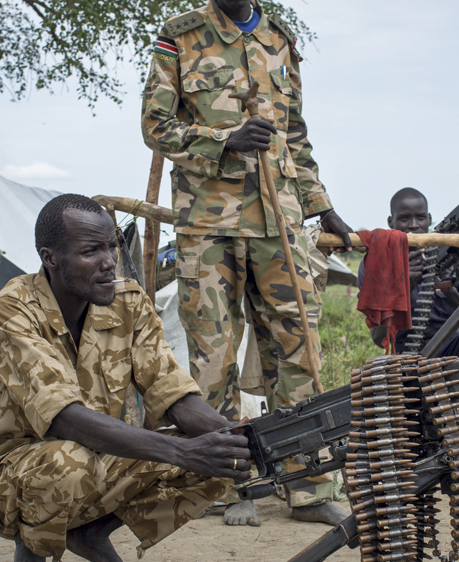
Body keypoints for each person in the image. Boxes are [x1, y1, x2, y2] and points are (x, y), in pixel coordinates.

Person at [141, 0, 353, 527]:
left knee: (298, 349)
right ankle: (228, 485)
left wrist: (321, 205)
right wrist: (224, 140)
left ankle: (307, 485)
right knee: (213, 358)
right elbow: (155, 126)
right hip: (207, 224)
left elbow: (295, 135)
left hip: (279, 223)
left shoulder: (279, 38)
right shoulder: (179, 36)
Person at [0, 194, 251, 562]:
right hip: (8, 476)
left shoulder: (128, 302)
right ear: (50, 258)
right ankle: (31, 550)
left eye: (112, 246)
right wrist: (183, 452)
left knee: (217, 455)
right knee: (67, 462)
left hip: (101, 456)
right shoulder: (14, 308)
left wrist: (234, 438)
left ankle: (90, 534)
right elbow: (64, 417)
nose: (109, 262)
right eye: (91, 251)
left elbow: (171, 392)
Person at [359, 188, 459, 425]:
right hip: (406, 357)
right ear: (391, 222)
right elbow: (377, 336)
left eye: (420, 217)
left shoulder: (453, 255)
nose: (413, 225)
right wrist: (403, 288)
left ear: (430, 219)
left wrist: (450, 290)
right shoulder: (376, 263)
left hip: (450, 349)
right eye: (405, 218)